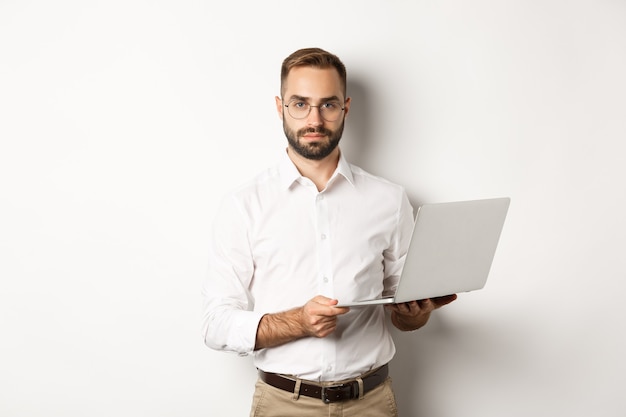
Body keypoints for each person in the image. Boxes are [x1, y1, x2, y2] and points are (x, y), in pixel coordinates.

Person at [202, 47, 457, 417]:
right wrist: (298, 322)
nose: (315, 119)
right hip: (283, 405)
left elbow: (403, 315)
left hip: (371, 403)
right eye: (300, 104)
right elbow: (215, 323)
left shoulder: (389, 199)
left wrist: (416, 312)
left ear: (346, 108)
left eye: (328, 105)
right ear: (280, 107)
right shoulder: (244, 205)